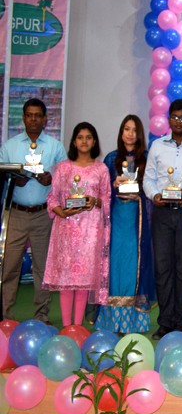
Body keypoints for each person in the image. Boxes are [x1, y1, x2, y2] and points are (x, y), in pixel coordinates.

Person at [144, 99, 182, 340]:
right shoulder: (157, 147)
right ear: (169, 119)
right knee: (163, 269)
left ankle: (180, 321)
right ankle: (165, 321)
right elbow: (148, 179)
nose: (179, 122)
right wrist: (155, 195)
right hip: (161, 212)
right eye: (175, 117)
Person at [0, 98, 66, 322]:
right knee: (9, 267)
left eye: (38, 115)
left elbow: (66, 177)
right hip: (16, 214)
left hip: (43, 215)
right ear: (24, 118)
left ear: (45, 119)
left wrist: (52, 179)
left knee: (42, 269)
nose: (34, 119)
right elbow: (1, 174)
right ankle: (5, 315)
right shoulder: (9, 146)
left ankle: (41, 316)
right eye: (29, 115)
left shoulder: (56, 147)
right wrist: (12, 179)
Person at [43, 122, 111, 327]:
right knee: (66, 282)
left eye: (88, 137)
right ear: (74, 141)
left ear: (94, 141)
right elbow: (52, 198)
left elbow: (107, 199)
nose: (84, 141)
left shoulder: (101, 169)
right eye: (80, 137)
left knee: (82, 283)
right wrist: (61, 212)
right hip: (66, 230)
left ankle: (78, 327)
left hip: (90, 232)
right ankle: (66, 327)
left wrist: (95, 202)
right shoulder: (63, 168)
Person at [95, 115, 156, 334]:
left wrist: (138, 194)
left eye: (134, 130)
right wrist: (113, 185)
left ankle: (132, 322)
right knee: (115, 264)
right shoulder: (111, 158)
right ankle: (112, 321)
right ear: (121, 133)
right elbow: (101, 192)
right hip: (116, 220)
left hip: (138, 221)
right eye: (126, 129)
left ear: (139, 134)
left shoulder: (147, 159)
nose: (130, 134)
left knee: (134, 264)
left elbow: (152, 188)